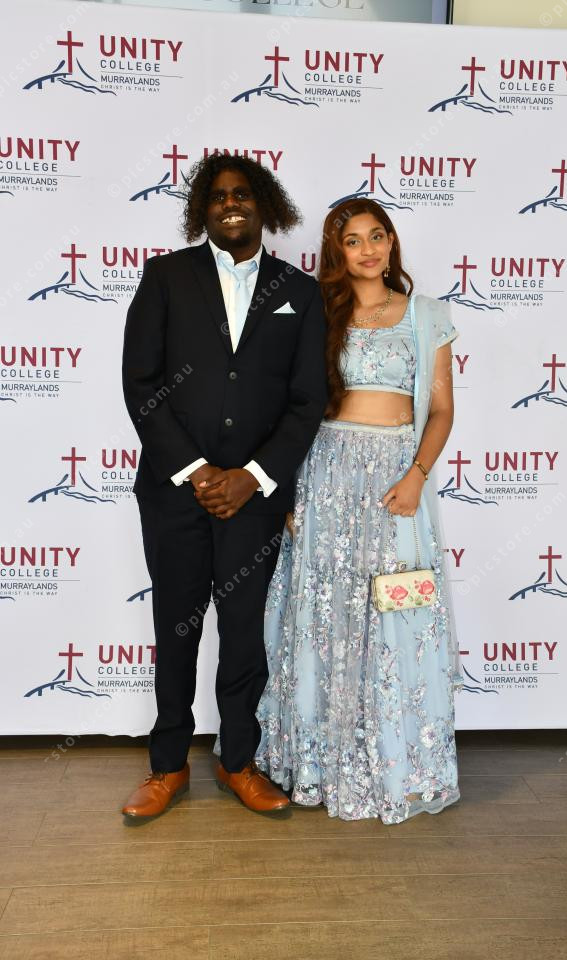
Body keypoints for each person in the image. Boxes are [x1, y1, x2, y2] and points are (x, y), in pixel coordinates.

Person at [121, 155, 327, 818]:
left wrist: (252, 478)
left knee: (243, 633)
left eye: (242, 194)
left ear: (264, 205)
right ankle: (168, 766)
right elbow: (142, 384)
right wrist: (199, 471)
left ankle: (238, 761)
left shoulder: (299, 290)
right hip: (175, 492)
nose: (230, 204)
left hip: (254, 500)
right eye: (217, 196)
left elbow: (307, 400)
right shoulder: (166, 277)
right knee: (176, 628)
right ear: (201, 211)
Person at [255, 198, 462, 824]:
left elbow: (441, 410)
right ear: (336, 251)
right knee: (324, 614)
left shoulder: (426, 315)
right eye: (352, 240)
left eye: (377, 236)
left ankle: (397, 764)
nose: (367, 249)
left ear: (391, 242)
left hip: (396, 479)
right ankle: (320, 763)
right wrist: (291, 491)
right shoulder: (318, 313)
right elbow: (291, 404)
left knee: (397, 610)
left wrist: (416, 476)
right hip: (325, 475)